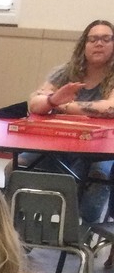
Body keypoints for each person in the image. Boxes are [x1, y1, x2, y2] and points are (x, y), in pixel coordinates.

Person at [24, 19, 114, 223]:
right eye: (93, 39)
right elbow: (35, 103)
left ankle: (82, 232)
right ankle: (24, 231)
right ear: (84, 45)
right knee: (20, 164)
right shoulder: (65, 71)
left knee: (98, 173)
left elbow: (110, 108)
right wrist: (53, 99)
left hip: (101, 147)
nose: (98, 43)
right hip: (61, 142)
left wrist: (62, 106)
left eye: (106, 39)